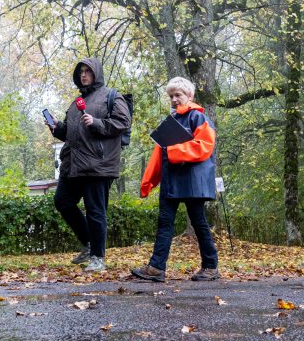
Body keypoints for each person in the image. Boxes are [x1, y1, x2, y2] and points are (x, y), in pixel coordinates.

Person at [132, 77, 219, 283]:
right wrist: (149, 181)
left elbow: (204, 146)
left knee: (199, 223)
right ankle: (156, 268)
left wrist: (173, 150)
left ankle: (210, 267)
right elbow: (158, 155)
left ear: (189, 96)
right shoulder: (170, 122)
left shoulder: (199, 117)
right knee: (164, 223)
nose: (174, 99)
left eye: (178, 95)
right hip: (171, 181)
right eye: (171, 96)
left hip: (191, 181)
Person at [49, 58, 131, 272]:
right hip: (73, 165)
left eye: (87, 71)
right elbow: (70, 133)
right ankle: (88, 243)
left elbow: (123, 122)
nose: (83, 75)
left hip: (99, 164)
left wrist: (97, 123)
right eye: (81, 72)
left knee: (96, 210)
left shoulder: (111, 96)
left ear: (96, 73)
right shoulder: (76, 103)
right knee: (62, 201)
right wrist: (57, 127)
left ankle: (98, 257)